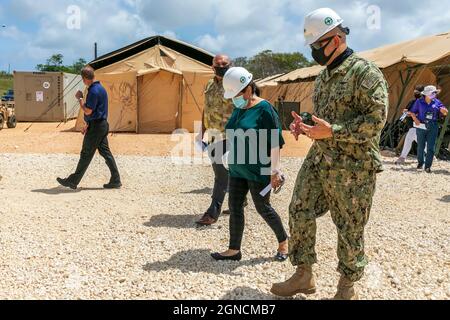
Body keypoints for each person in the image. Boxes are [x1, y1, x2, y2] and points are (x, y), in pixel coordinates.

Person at [271, 8, 388, 300]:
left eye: (317, 45)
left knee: (349, 225)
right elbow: (326, 117)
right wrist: (308, 124)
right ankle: (303, 274)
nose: (314, 52)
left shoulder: (365, 72)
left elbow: (376, 122)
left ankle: (346, 287)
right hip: (321, 157)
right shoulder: (323, 77)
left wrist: (333, 130)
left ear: (336, 39)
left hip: (353, 166)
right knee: (299, 208)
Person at [211, 67, 289, 262]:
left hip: (259, 169)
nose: (233, 99)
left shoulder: (265, 109)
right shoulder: (239, 108)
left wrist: (275, 171)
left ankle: (284, 242)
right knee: (235, 207)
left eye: (235, 94)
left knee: (263, 207)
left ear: (247, 89)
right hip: (237, 168)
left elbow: (274, 142)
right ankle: (233, 250)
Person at [57, 66, 122, 190]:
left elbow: (88, 111)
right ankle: (116, 179)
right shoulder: (101, 88)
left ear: (85, 78)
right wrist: (88, 125)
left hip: (97, 127)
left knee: (86, 153)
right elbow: (96, 112)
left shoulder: (93, 91)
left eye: (82, 79)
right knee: (105, 152)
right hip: (101, 125)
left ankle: (73, 181)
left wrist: (80, 99)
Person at [195, 55, 235, 226]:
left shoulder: (236, 84)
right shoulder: (210, 84)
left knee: (220, 174)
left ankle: (213, 211)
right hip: (212, 135)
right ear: (212, 67)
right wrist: (200, 132)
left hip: (230, 135)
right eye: (218, 64)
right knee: (229, 171)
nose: (221, 66)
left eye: (224, 64)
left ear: (231, 65)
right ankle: (239, 202)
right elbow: (206, 108)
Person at [409, 85, 448, 173]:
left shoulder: (437, 102)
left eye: (435, 93)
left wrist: (444, 111)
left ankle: (427, 166)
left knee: (431, 147)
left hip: (433, 126)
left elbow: (445, 112)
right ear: (426, 94)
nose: (435, 94)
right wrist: (415, 119)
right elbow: (412, 112)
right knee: (420, 146)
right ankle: (420, 162)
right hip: (421, 126)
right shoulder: (419, 102)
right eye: (433, 93)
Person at [395, 85, 425, 165]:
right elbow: (407, 111)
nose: (415, 93)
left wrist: (411, 114)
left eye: (417, 92)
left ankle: (402, 157)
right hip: (411, 125)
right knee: (419, 141)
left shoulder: (423, 103)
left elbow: (421, 113)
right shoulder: (412, 102)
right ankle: (431, 155)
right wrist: (405, 112)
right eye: (415, 91)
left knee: (409, 138)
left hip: (418, 125)